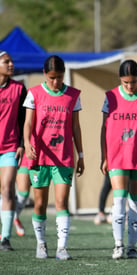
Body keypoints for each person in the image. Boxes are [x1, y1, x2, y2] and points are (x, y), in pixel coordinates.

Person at [23, 55, 84, 260]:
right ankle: (41, 244)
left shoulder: (74, 95)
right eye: (52, 78)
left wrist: (81, 154)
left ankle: (62, 248)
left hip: (63, 157)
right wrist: (27, 143)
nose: (56, 82)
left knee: (61, 202)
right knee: (39, 204)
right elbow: (28, 123)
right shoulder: (33, 94)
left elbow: (75, 126)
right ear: (44, 75)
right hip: (39, 156)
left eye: (59, 77)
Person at [100, 59, 137, 260]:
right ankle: (118, 245)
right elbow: (104, 129)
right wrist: (104, 156)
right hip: (117, 156)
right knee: (119, 202)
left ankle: (132, 246)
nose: (129, 86)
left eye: (133, 82)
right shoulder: (110, 97)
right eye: (125, 82)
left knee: (135, 204)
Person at [0, 50, 27, 250]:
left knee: (8, 188)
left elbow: (24, 119)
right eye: (6, 61)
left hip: (10, 147)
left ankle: (5, 238)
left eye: (11, 61)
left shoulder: (19, 89)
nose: (11, 64)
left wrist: (21, 144)